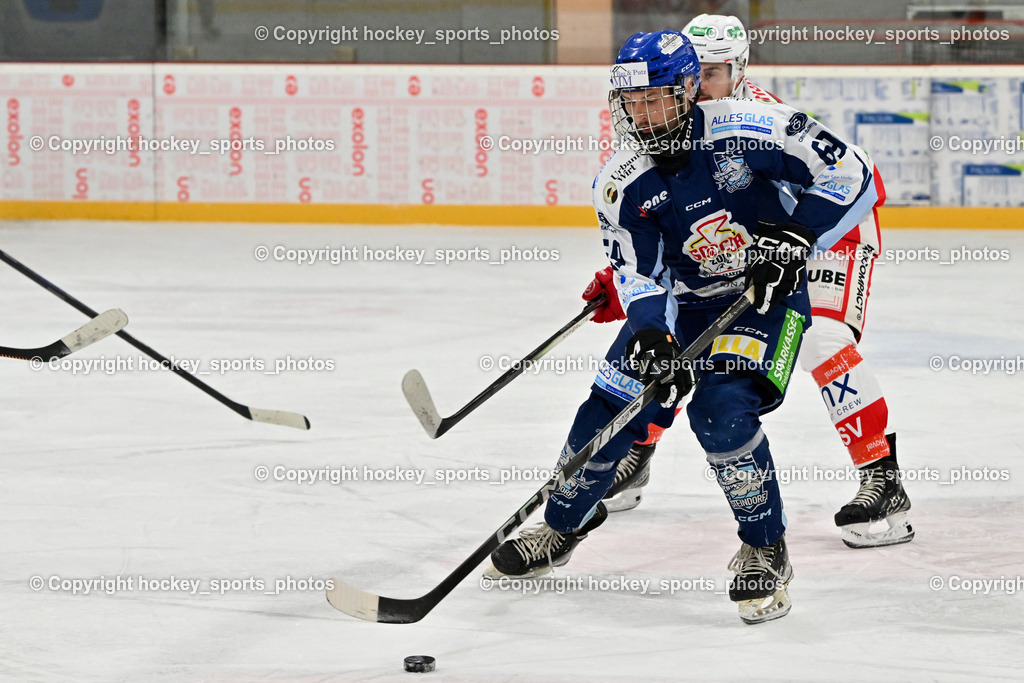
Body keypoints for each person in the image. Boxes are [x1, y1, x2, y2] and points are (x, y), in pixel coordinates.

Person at [487, 29, 880, 624]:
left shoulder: (752, 128)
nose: (642, 115)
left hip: (765, 299)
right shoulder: (620, 182)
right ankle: (561, 527)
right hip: (682, 304)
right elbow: (639, 274)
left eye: (656, 99)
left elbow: (854, 174)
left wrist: (798, 238)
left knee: (719, 413)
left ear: (689, 89)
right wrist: (650, 333)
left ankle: (764, 546)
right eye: (631, 103)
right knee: (612, 403)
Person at [591, 14, 913, 550]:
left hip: (830, 233)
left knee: (822, 339)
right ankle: (639, 447)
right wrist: (627, 277)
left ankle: (881, 475)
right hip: (751, 248)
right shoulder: (675, 119)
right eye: (700, 71)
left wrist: (797, 241)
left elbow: (849, 180)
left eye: (716, 71)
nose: (705, 83)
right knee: (676, 332)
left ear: (739, 70)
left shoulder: (756, 118)